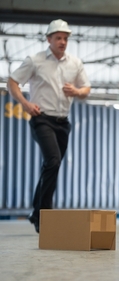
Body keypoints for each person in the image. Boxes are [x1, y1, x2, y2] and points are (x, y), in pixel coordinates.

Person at [7, 19, 91, 233]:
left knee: (51, 166)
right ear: (49, 39)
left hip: (63, 122)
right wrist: (25, 104)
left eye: (65, 38)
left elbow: (86, 88)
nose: (63, 41)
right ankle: (44, 217)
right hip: (41, 118)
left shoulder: (75, 63)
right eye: (58, 38)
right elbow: (12, 82)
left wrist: (77, 91)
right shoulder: (35, 61)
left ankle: (36, 212)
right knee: (53, 161)